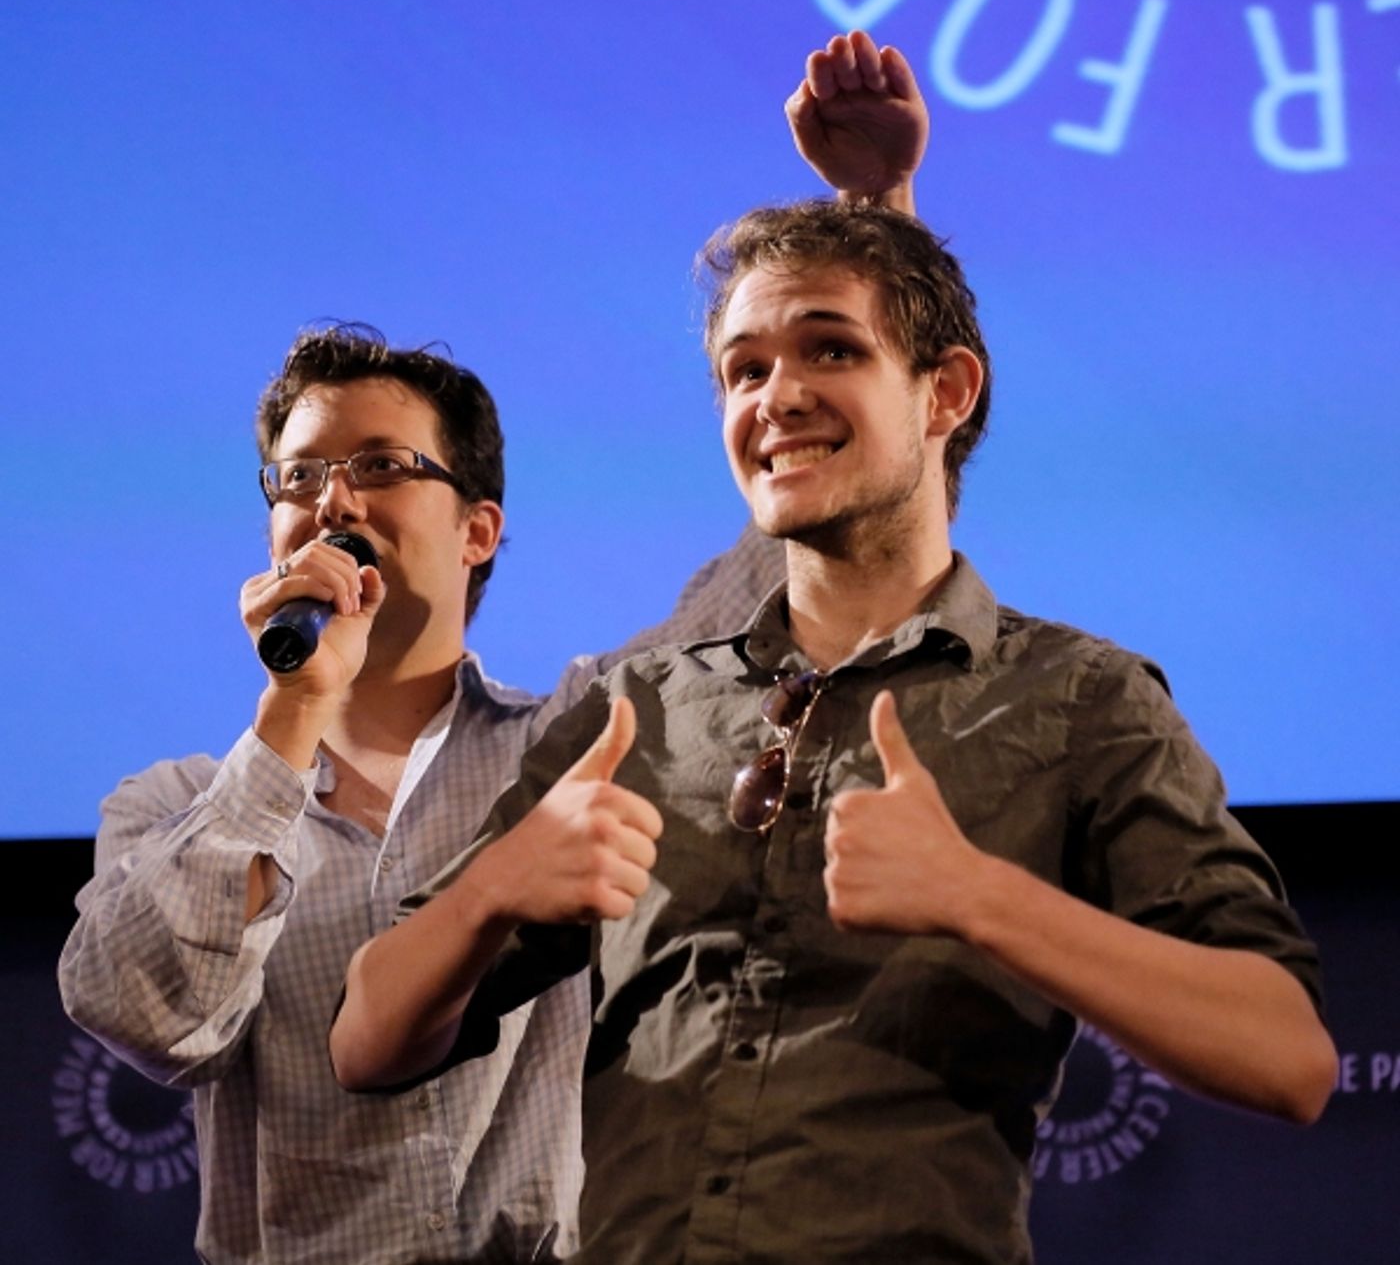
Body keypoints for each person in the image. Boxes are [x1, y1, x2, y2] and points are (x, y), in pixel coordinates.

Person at [330, 105, 1339, 1265]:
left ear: (945, 392)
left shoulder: (1080, 701)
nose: (775, 397)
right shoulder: (636, 714)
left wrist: (977, 896)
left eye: (830, 349)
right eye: (741, 370)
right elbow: (368, 1042)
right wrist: (494, 886)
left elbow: (1289, 1058)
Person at [57, 30, 924, 1265]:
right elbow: (153, 1017)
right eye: (297, 478)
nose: (331, 501)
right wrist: (295, 711)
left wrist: (873, 210)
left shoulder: (580, 742)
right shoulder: (180, 807)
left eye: (376, 467)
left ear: (477, 528)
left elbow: (801, 560)